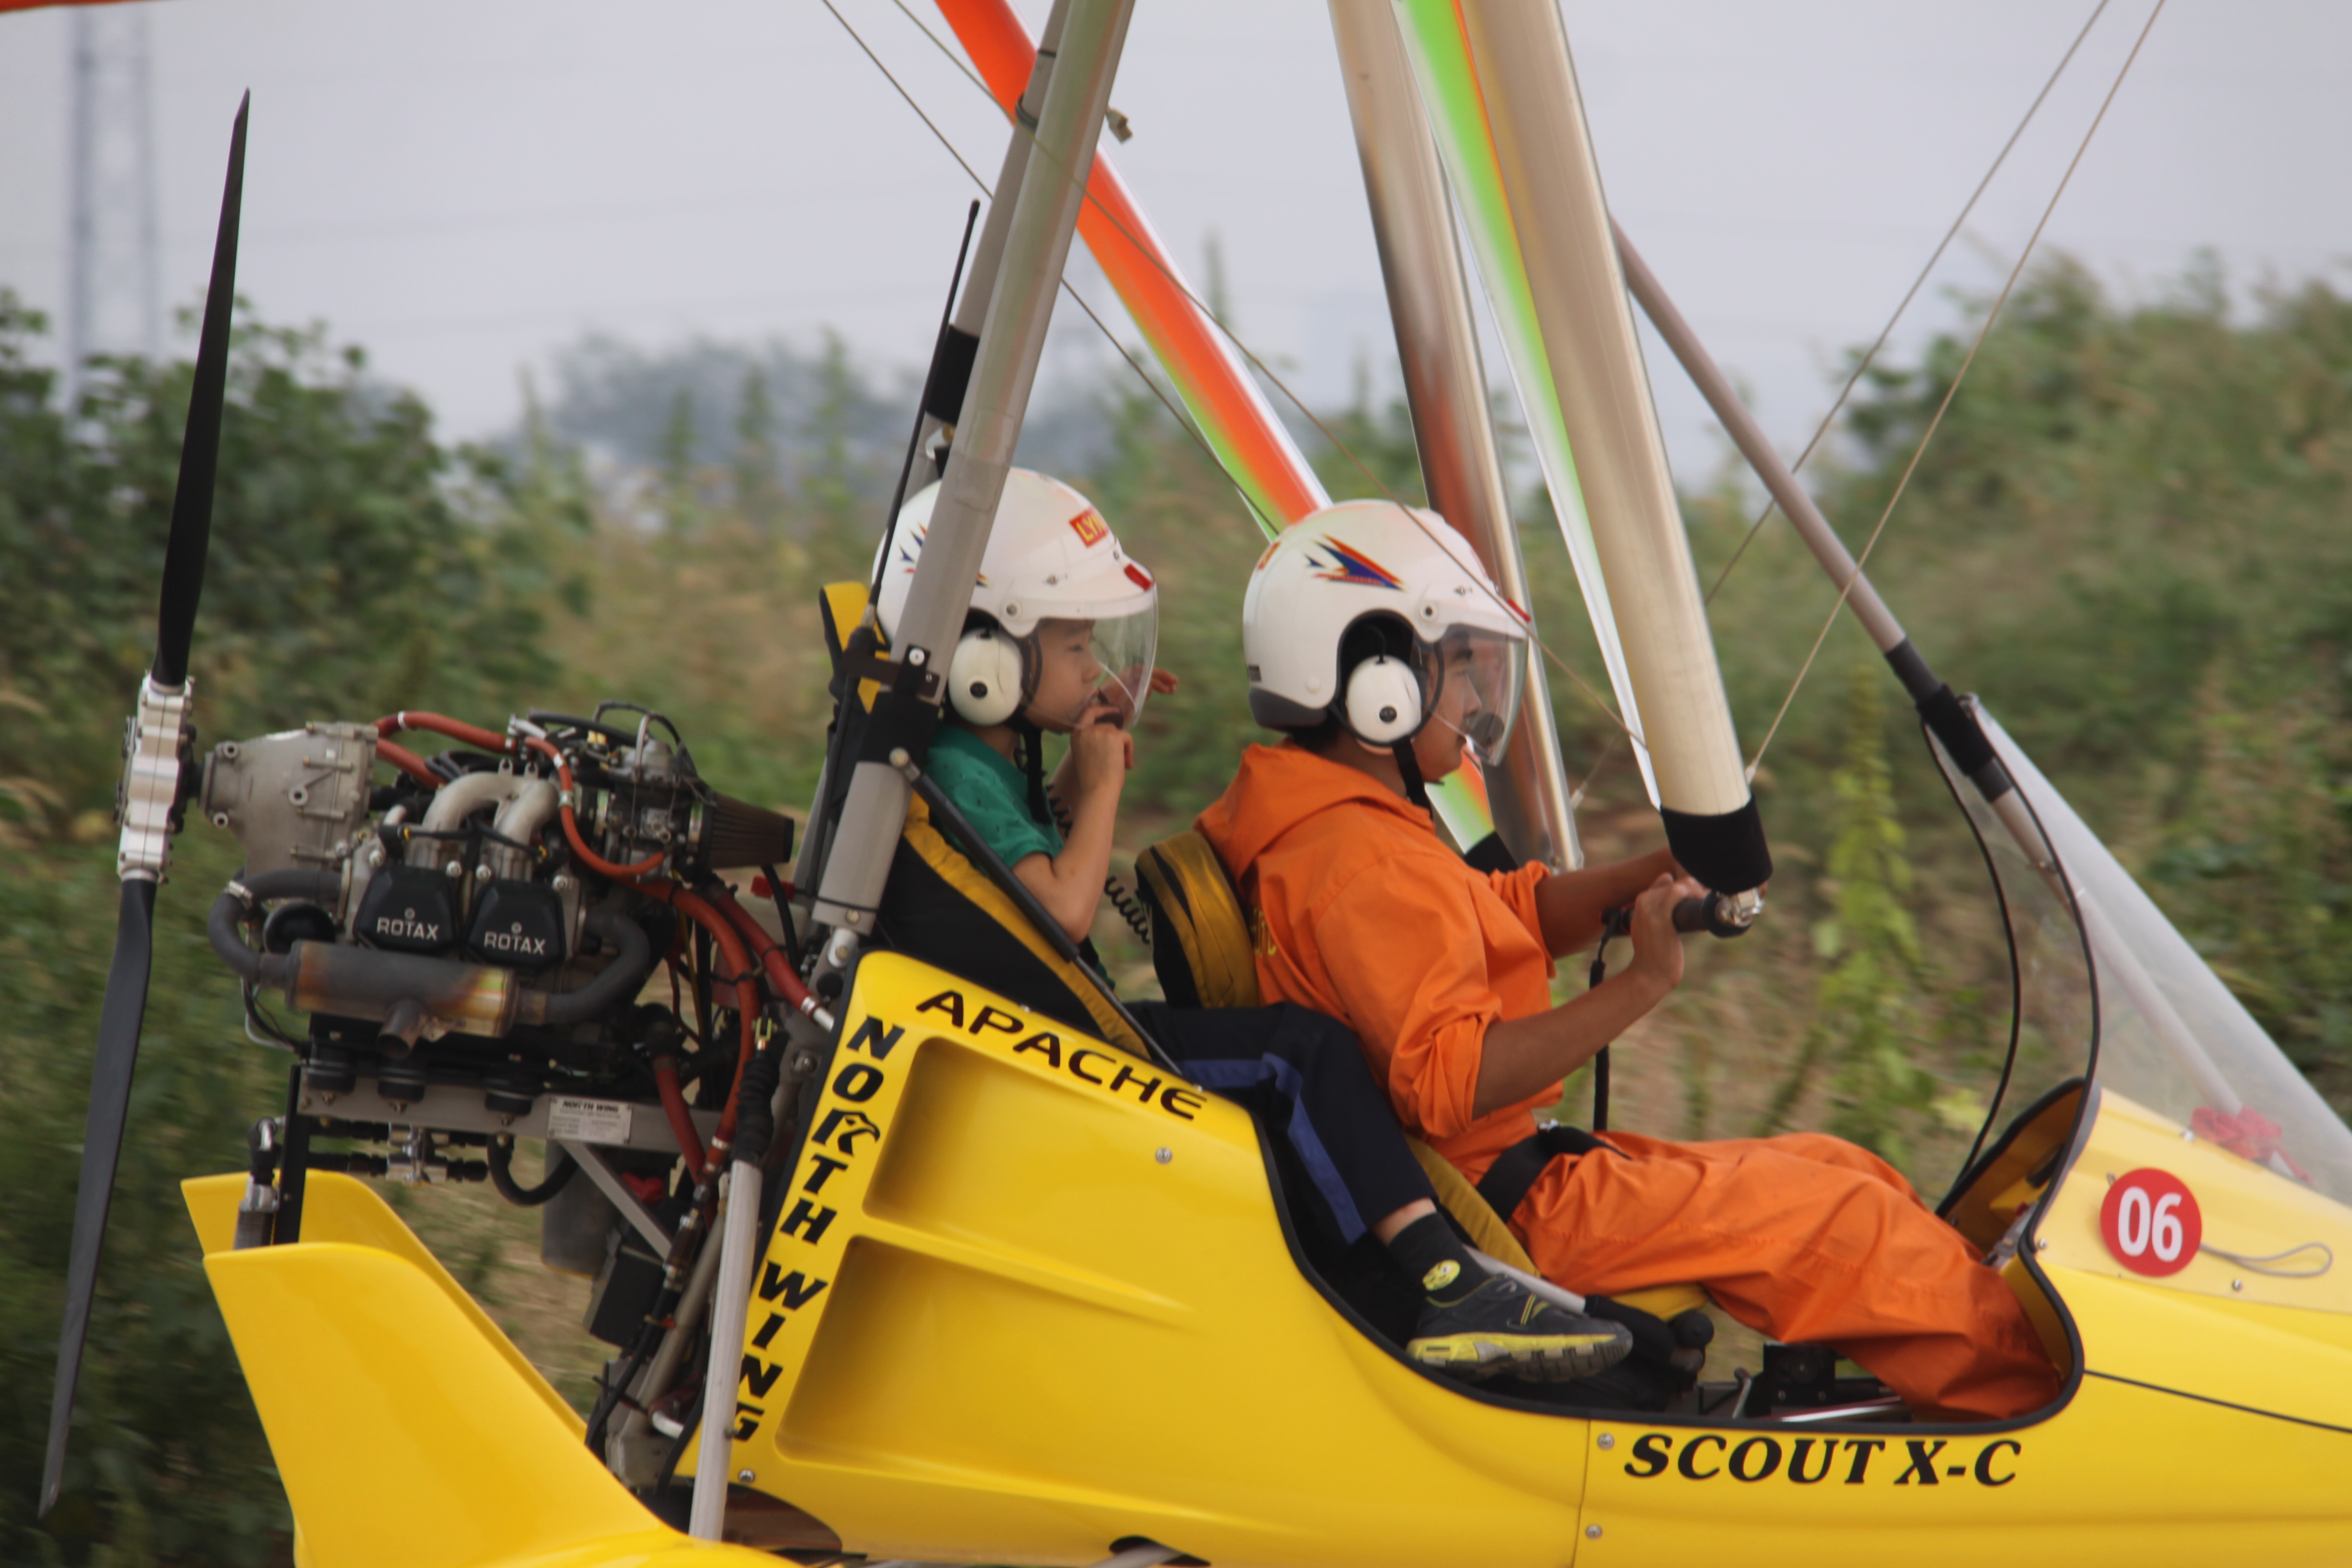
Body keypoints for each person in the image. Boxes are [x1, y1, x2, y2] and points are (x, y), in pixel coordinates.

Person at [1194, 498, 2063, 1423]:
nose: (1483, 702)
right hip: (1521, 1212)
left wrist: (1658, 869)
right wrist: (1644, 985)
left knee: (1841, 1169)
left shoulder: (1339, 823)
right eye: (1462, 672)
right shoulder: (1360, 862)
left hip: (1513, 1181)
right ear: (1379, 679)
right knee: (1844, 1225)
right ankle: (2043, 1414)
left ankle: (1965, 1386)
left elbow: (1509, 909)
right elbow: (1446, 1085)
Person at [872, 468, 1631, 1383]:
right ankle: (1441, 1276)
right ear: (983, 663)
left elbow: (1031, 857)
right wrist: (1109, 783)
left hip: (1046, 1017)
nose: (1093, 665)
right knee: (1302, 1053)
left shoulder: (978, 755)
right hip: (1053, 1037)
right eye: (1075, 645)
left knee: (1300, 1049)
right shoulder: (962, 770)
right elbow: (1064, 909)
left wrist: (1079, 772)